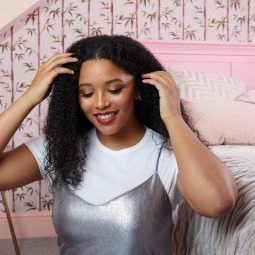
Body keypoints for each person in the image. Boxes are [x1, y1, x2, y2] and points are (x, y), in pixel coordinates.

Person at [0, 34, 237, 254]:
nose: (101, 103)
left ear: (137, 89)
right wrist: (29, 97)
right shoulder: (60, 148)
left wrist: (173, 116)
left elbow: (217, 203)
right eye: (86, 93)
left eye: (115, 89)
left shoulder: (164, 154)